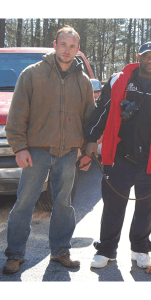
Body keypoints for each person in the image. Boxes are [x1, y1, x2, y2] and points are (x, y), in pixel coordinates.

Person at [85, 41, 151, 269]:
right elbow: (101, 110)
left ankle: (140, 249)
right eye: (146, 56)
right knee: (113, 207)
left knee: (145, 209)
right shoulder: (118, 81)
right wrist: (92, 139)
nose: (150, 60)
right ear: (138, 57)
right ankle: (106, 250)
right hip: (119, 157)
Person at [2, 26, 95, 274]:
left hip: (68, 153)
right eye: (63, 44)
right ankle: (15, 254)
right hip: (36, 150)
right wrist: (19, 147)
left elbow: (89, 119)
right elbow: (17, 115)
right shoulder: (32, 74)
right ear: (55, 44)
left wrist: (87, 151)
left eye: (73, 46)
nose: (67, 50)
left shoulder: (83, 81)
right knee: (24, 202)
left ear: (78, 49)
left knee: (63, 204)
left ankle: (60, 251)